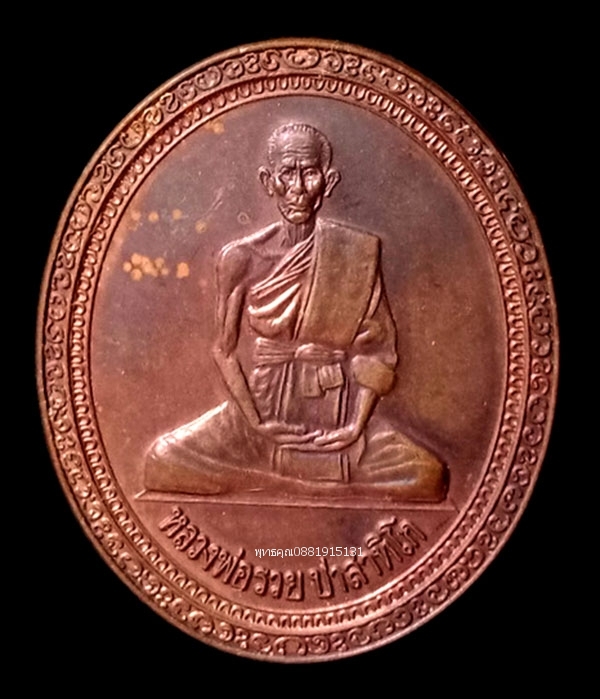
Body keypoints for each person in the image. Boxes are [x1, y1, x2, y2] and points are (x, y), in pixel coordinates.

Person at [145, 123, 448, 501]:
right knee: (161, 460)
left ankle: (281, 483)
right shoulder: (240, 258)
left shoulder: (354, 253)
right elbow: (224, 350)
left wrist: (355, 427)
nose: (299, 189)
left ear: (328, 181)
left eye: (310, 173)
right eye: (287, 173)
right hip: (260, 411)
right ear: (268, 180)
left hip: (336, 414)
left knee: (428, 476)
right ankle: (297, 485)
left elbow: (378, 350)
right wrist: (256, 422)